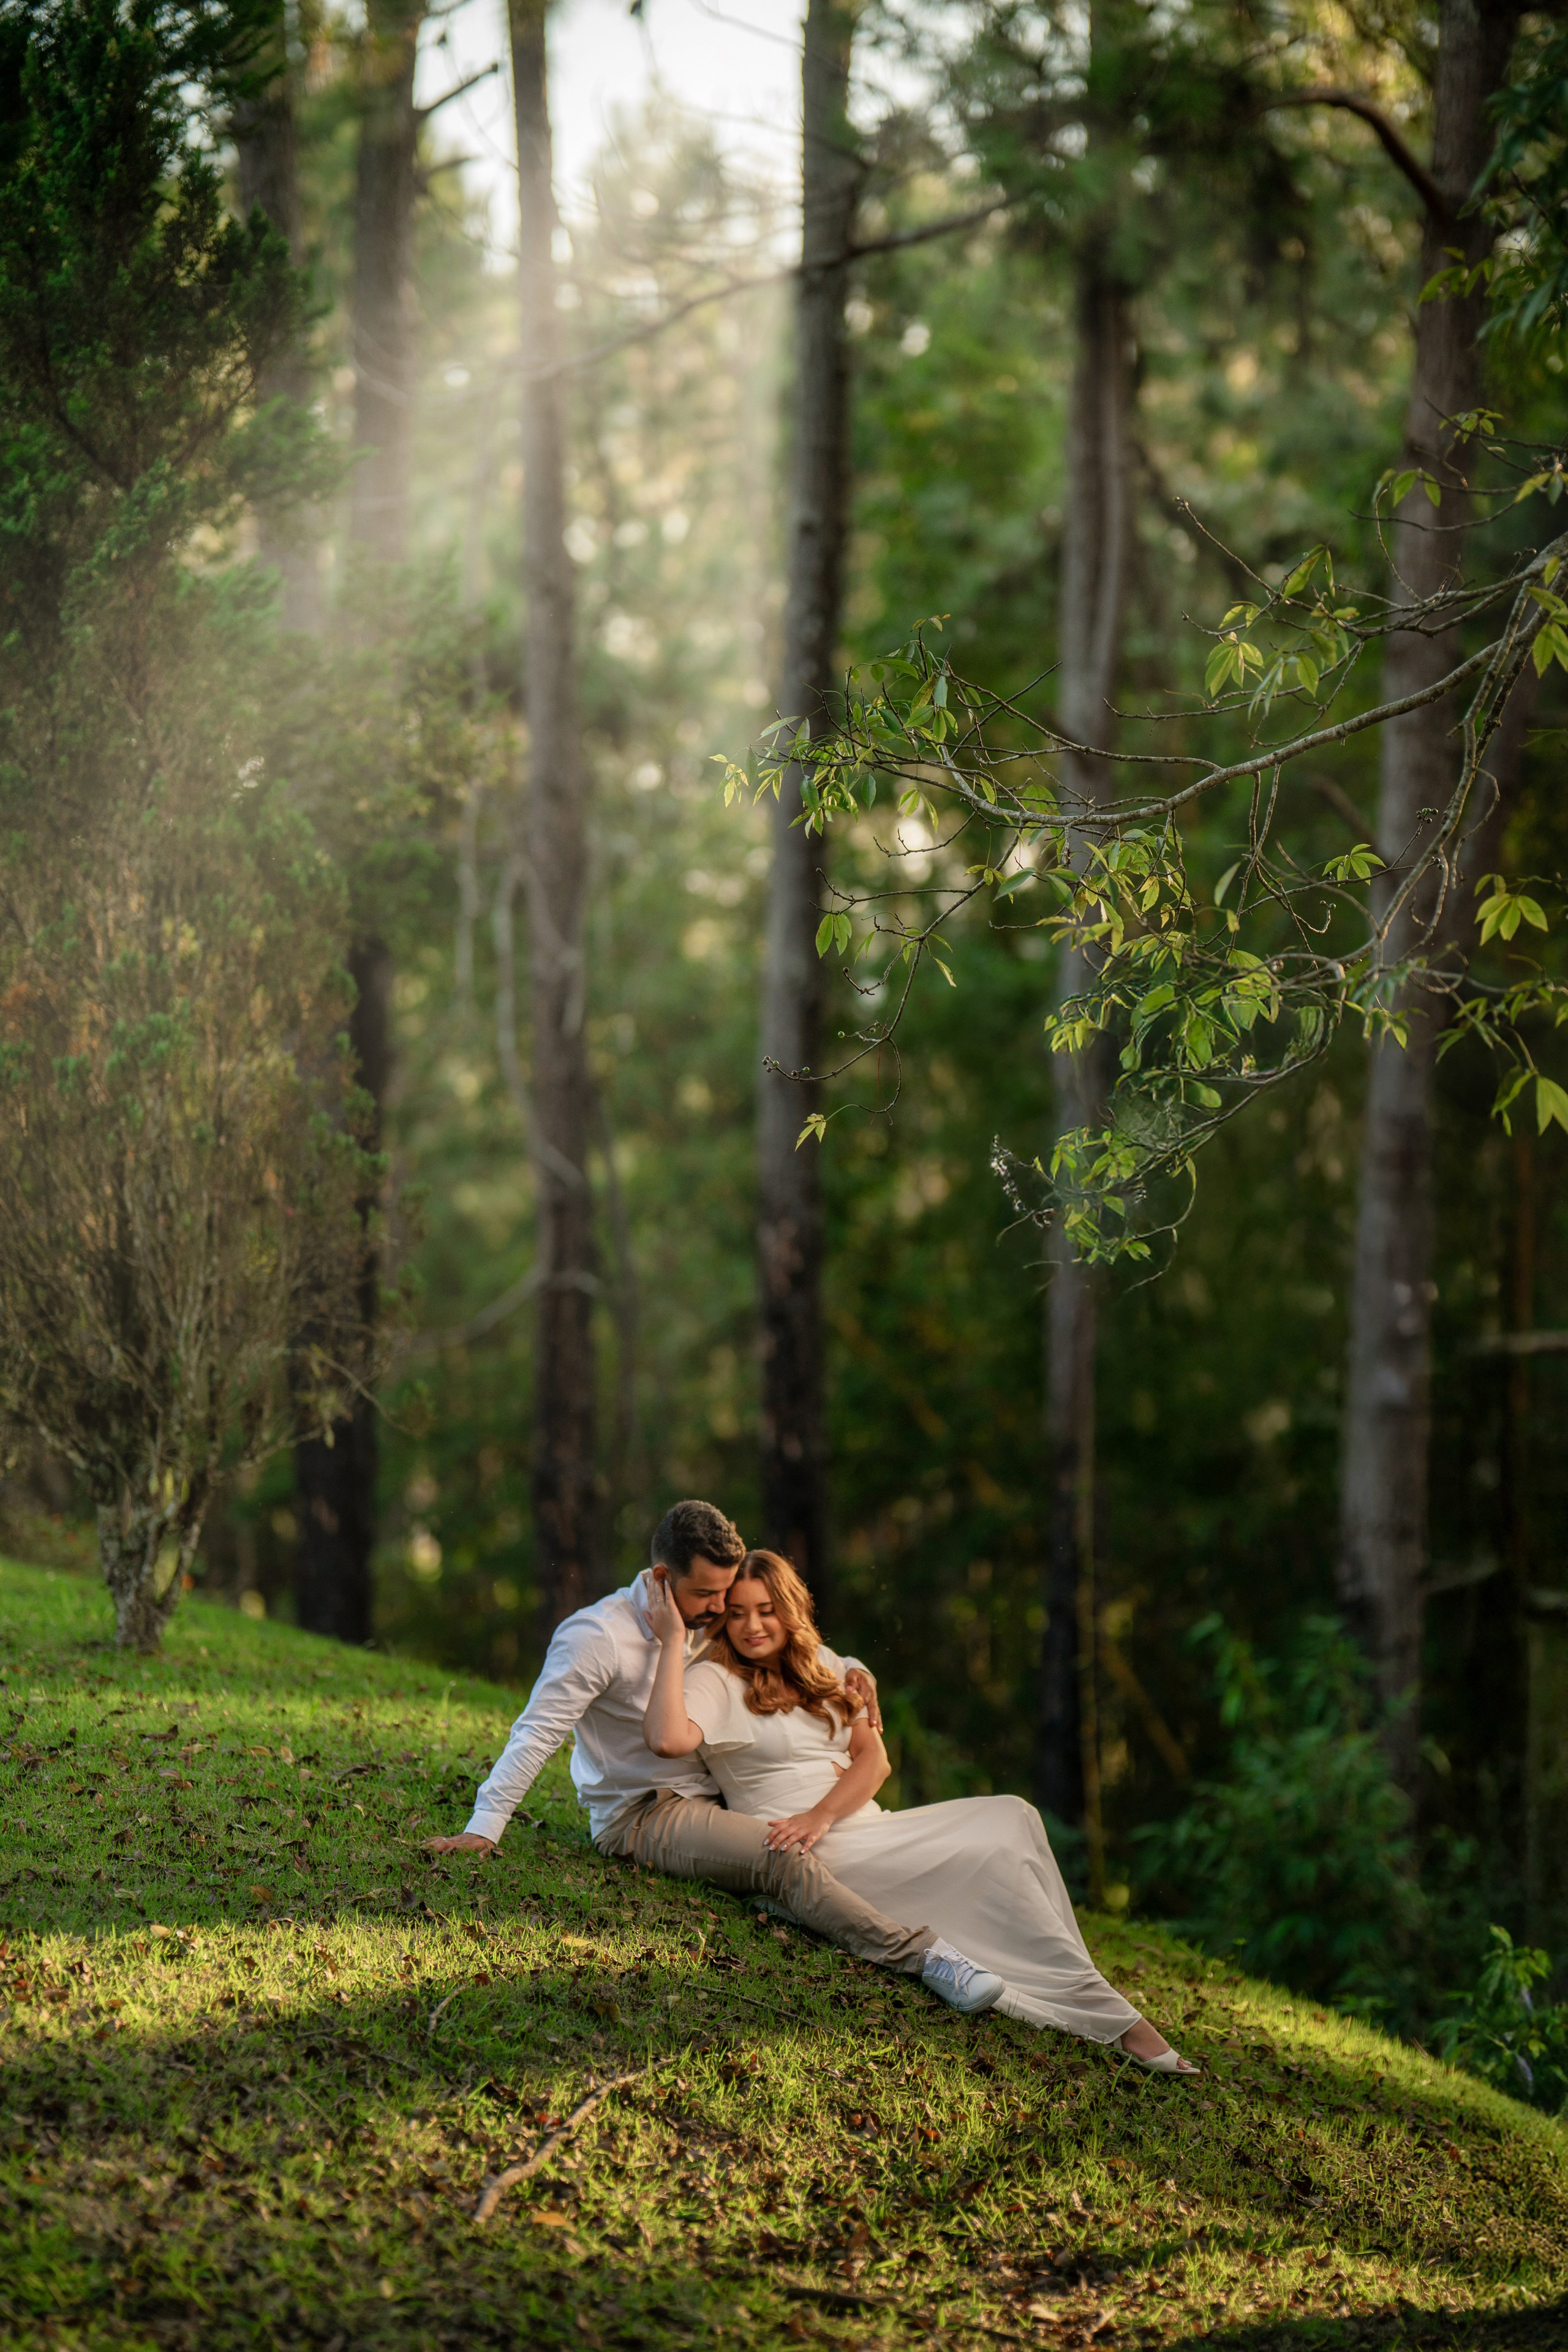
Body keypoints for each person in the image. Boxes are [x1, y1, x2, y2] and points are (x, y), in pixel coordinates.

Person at [424, 1499, 1005, 2015]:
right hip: (647, 1813)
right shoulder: (596, 1637)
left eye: (725, 1594)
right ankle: (928, 1960)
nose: (721, 1608)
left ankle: (786, 1901)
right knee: (784, 1859)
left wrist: (857, 1669)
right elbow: (538, 1732)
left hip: (725, 1798)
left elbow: (793, 1645)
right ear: (661, 1578)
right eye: (706, 1594)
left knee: (812, 1851)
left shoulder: (712, 1617)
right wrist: (486, 1827)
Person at [643, 1546, 1199, 2073]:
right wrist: (672, 1643)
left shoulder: (826, 1667)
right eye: (736, 1614)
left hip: (859, 1824)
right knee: (993, 1863)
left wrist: (826, 1806)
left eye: (767, 1611)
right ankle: (1117, 2021)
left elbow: (874, 1761)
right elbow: (667, 1737)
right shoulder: (715, 1678)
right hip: (809, 1845)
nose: (752, 1626)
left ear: (790, 1611)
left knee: (1013, 1816)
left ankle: (1085, 1986)